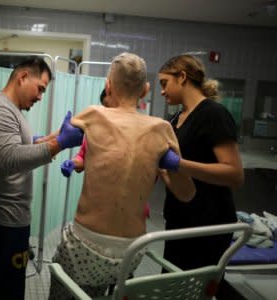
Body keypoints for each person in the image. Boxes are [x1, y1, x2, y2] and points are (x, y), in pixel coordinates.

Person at [48, 52, 196, 299]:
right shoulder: (163, 129)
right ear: (146, 90)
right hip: (131, 251)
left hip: (85, 246)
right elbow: (187, 194)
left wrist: (44, 140)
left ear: (108, 86)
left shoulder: (94, 114)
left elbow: (55, 139)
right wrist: (171, 166)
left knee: (66, 291)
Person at [0, 56, 84, 300]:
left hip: (9, 221)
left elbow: (23, 145)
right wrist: (60, 144)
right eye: (40, 88)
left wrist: (54, 136)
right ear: (22, 77)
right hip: (2, 223)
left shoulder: (11, 110)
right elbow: (10, 158)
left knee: (3, 288)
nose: (41, 97)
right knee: (1, 292)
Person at [158, 54, 244, 299]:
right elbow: (172, 171)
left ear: (182, 77)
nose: (162, 91)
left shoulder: (213, 114)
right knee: (174, 287)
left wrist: (181, 165)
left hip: (208, 224)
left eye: (165, 83)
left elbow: (235, 174)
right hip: (179, 221)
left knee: (198, 291)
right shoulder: (176, 118)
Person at [60, 89, 151, 218]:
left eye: (112, 107)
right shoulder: (95, 129)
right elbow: (83, 157)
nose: (109, 112)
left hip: (130, 208)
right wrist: (73, 164)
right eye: (106, 107)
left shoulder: (141, 130)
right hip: (99, 205)